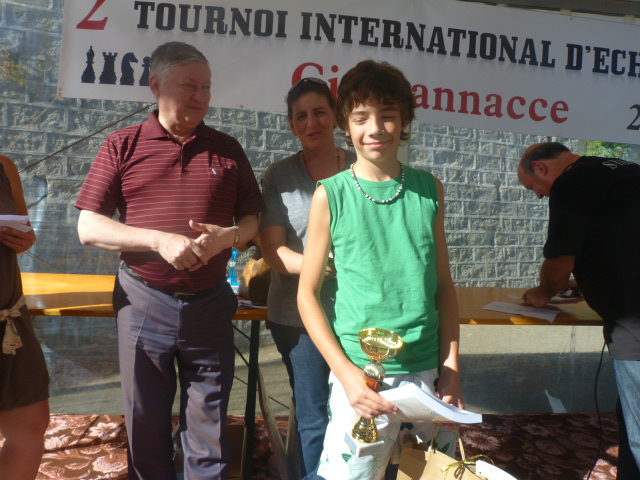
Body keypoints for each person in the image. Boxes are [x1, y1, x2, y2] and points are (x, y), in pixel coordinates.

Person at [75, 42, 263, 480]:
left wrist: (230, 237)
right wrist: (158, 241)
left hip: (210, 304)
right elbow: (89, 226)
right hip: (144, 302)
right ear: (156, 85)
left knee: (210, 427)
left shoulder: (227, 149)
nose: (200, 96)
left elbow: (253, 218)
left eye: (206, 87)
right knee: (145, 422)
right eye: (188, 86)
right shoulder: (122, 144)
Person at [297, 60, 463, 480]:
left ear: (404, 120)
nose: (375, 129)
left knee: (429, 473)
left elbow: (444, 287)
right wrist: (347, 375)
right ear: (345, 124)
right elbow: (307, 295)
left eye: (387, 115)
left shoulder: (430, 190)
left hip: (430, 374)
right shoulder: (330, 195)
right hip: (361, 377)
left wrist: (452, 367)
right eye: (361, 117)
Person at [518, 142, 640, 480]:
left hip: (635, 330)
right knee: (629, 419)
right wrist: (589, 280)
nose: (538, 195)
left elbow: (558, 266)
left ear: (541, 168)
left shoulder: (570, 185)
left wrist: (544, 292)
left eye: (532, 187)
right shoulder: (623, 171)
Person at [260, 77, 356, 476]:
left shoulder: (362, 167)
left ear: (335, 117)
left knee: (358, 412)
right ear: (292, 125)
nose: (311, 122)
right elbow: (273, 252)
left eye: (319, 112)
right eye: (301, 116)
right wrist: (318, 265)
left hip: (358, 314)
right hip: (297, 318)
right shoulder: (279, 176)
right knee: (314, 416)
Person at [0, 154, 50, 480]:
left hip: (9, 322)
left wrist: (24, 239)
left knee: (30, 424)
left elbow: (23, 235)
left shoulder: (3, 167)